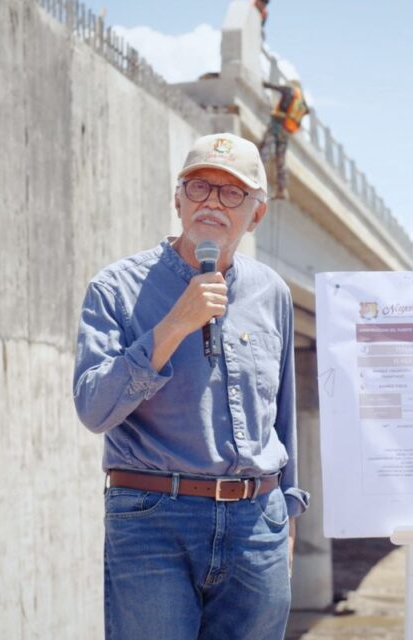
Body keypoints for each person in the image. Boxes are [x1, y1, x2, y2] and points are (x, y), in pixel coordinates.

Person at [73, 132, 308, 639]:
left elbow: (283, 414)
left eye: (232, 193)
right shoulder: (115, 288)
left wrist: (287, 513)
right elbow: (93, 408)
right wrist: (174, 325)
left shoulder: (273, 293)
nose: (213, 203)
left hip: (257, 524)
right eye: (200, 186)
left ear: (257, 214)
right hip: (154, 520)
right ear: (177, 199)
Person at [259, 80, 309, 200]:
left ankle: (254, 172)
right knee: (280, 158)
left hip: (277, 123)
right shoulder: (301, 101)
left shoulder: (290, 90)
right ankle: (281, 189)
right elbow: (306, 111)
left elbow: (272, 86)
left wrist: (263, 83)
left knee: (265, 148)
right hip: (287, 130)